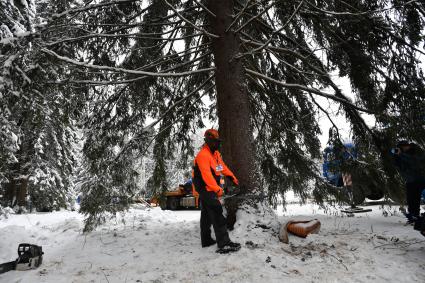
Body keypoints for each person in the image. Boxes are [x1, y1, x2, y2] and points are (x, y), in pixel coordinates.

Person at [192, 129, 241, 253]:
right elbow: (207, 176)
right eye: (214, 141)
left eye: (217, 141)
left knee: (206, 216)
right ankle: (224, 244)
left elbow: (222, 167)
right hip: (205, 189)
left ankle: (206, 240)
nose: (217, 144)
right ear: (208, 141)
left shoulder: (216, 155)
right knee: (217, 213)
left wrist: (232, 177)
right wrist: (218, 190)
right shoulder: (203, 155)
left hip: (210, 188)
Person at [392, 140, 425, 224]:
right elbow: (399, 167)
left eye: (402, 147)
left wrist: (401, 155)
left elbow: (415, 162)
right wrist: (396, 156)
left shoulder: (416, 151)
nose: (401, 149)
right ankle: (413, 217)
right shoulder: (402, 154)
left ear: (407, 146)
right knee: (412, 200)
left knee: (421, 197)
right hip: (410, 181)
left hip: (421, 179)